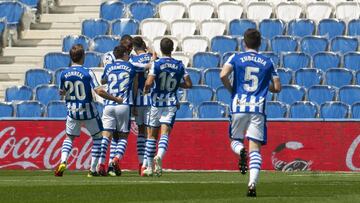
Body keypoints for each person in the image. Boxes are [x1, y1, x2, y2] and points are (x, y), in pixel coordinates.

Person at [220, 29, 281, 197]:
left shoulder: (236, 58)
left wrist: (232, 89)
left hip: (239, 105)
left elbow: (223, 74)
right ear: (260, 43)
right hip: (257, 108)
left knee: (235, 140)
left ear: (244, 42)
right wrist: (263, 86)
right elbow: (277, 87)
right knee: (255, 148)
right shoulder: (268, 62)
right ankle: (252, 183)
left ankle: (240, 151)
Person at [54, 44, 123, 177]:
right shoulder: (87, 72)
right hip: (88, 110)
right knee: (97, 138)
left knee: (69, 138)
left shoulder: (63, 73)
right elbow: (98, 90)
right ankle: (92, 169)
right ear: (83, 57)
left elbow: (61, 92)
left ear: (71, 57)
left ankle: (63, 161)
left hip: (72, 112)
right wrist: (115, 99)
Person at [143, 38, 192, 176]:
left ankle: (149, 168)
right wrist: (177, 84)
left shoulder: (157, 63)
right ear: (172, 49)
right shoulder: (180, 65)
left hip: (156, 102)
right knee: (165, 133)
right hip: (171, 102)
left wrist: (146, 89)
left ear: (161, 49)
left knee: (152, 135)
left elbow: (149, 82)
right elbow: (189, 84)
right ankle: (159, 156)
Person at [97, 45, 138, 176]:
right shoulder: (130, 67)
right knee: (123, 136)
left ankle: (101, 164)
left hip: (108, 104)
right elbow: (135, 84)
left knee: (106, 137)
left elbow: (103, 80)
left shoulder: (109, 67)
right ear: (125, 54)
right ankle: (115, 159)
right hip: (123, 104)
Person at [128, 36, 156, 175]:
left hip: (139, 99)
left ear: (134, 47)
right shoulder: (152, 57)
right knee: (151, 133)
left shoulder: (132, 60)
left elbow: (133, 82)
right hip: (151, 99)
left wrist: (132, 102)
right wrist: (153, 52)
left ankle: (141, 164)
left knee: (141, 132)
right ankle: (149, 164)